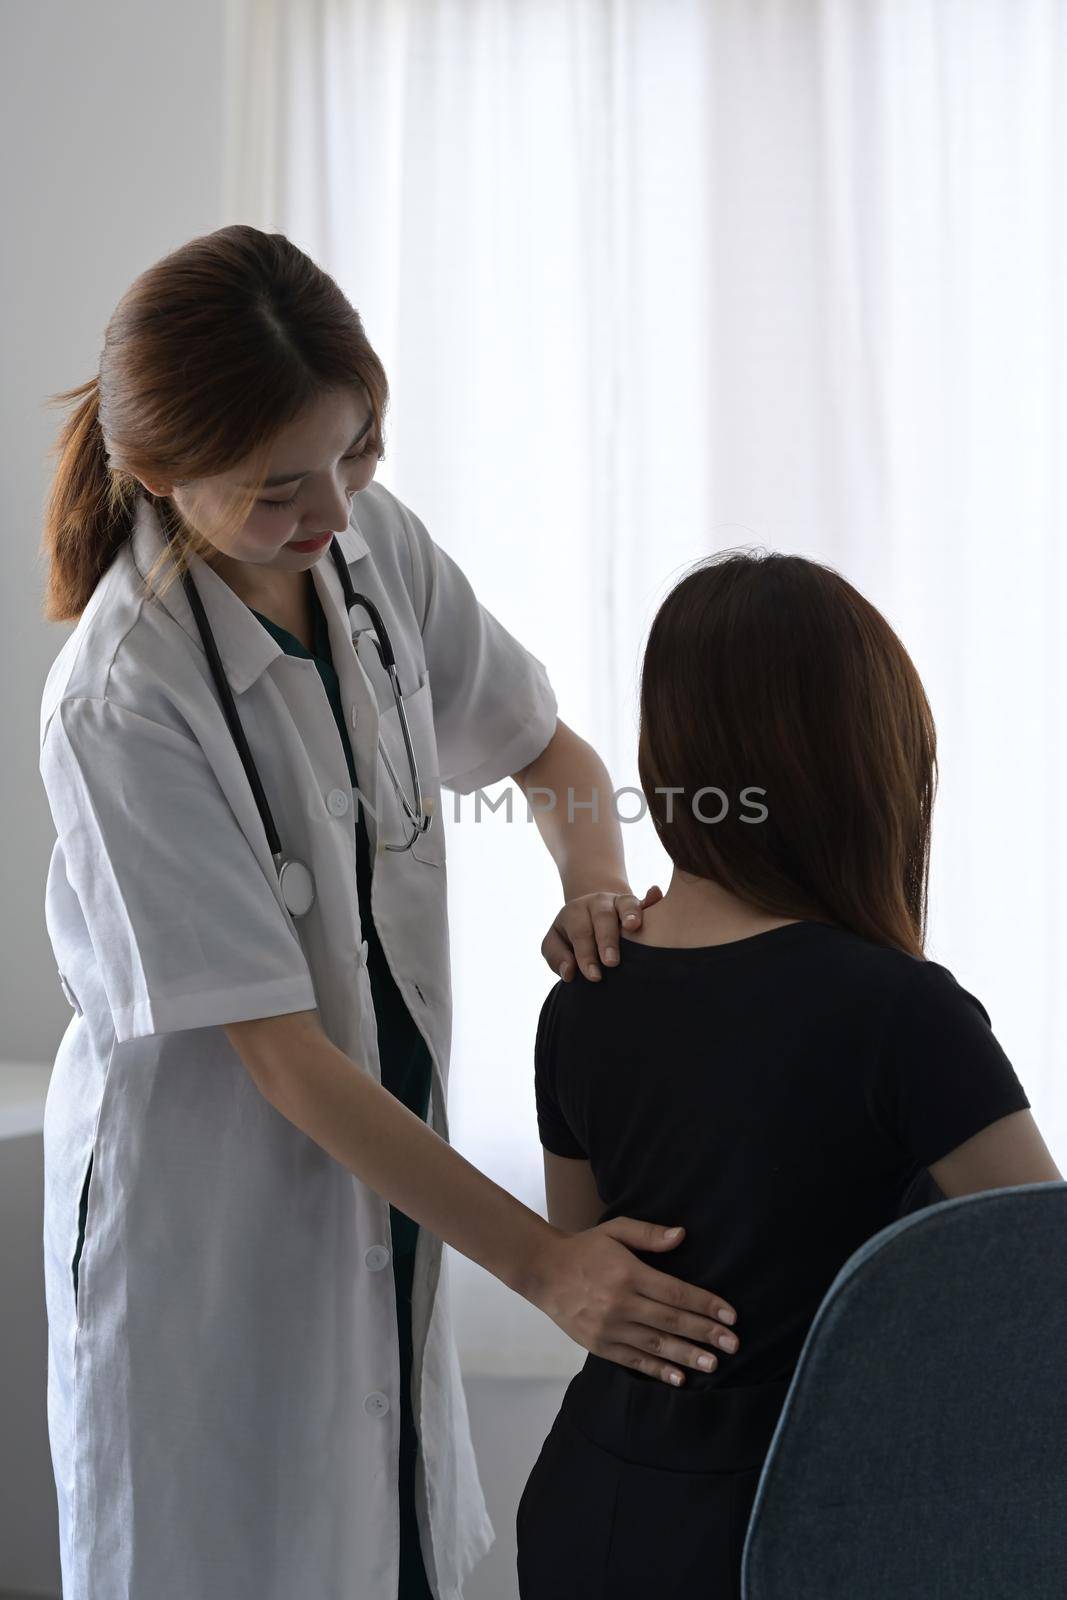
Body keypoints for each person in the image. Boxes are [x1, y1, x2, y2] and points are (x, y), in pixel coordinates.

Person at [35, 225, 740, 1600]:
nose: (334, 512)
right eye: (278, 488)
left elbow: (552, 755)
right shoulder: (121, 698)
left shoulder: (370, 559)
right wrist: (544, 1267)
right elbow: (281, 1055)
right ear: (158, 476)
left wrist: (591, 886)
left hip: (388, 1185)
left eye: (358, 453)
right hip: (218, 1226)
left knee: (392, 1547)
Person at [516, 549, 1063, 1600]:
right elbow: (1038, 1284)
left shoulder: (580, 995)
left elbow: (592, 1262)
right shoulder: (901, 1014)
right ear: (859, 761)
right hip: (796, 1527)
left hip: (592, 1507)